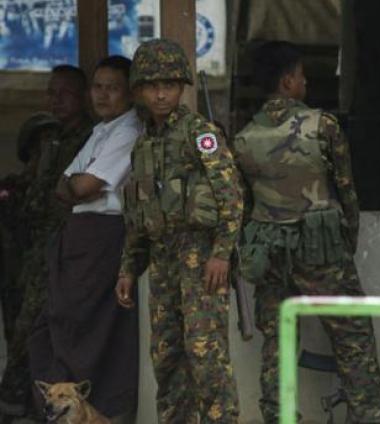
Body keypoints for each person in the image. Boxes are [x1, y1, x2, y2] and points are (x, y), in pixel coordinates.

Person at [233, 40, 380, 424]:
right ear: (288, 81)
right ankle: (365, 415)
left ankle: (279, 415)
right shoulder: (323, 126)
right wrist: (346, 240)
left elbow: (243, 205)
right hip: (323, 250)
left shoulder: (243, 138)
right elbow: (346, 191)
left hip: (270, 251)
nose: (305, 84)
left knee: (279, 340)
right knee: (352, 333)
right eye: (301, 76)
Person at [114, 38, 243, 423]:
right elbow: (139, 214)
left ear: (181, 87)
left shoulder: (199, 133)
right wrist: (127, 268)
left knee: (206, 355)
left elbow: (231, 195)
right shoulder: (143, 146)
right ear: (138, 89)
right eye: (152, 85)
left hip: (201, 256)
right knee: (167, 356)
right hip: (163, 258)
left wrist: (221, 252)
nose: (161, 93)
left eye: (169, 84)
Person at [27, 55, 141, 421]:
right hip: (79, 236)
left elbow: (85, 184)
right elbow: (66, 185)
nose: (102, 95)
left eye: (113, 88)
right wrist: (76, 186)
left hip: (102, 237)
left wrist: (78, 186)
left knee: (92, 335)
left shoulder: (129, 129)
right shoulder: (101, 130)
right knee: (55, 327)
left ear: (130, 92)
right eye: (97, 87)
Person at [0, 65, 92, 419]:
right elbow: (30, 184)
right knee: (18, 320)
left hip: (61, 244)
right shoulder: (48, 138)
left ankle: (17, 399)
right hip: (29, 244)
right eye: (50, 93)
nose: (55, 101)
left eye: (63, 94)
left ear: (82, 97)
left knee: (34, 326)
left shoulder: (90, 138)